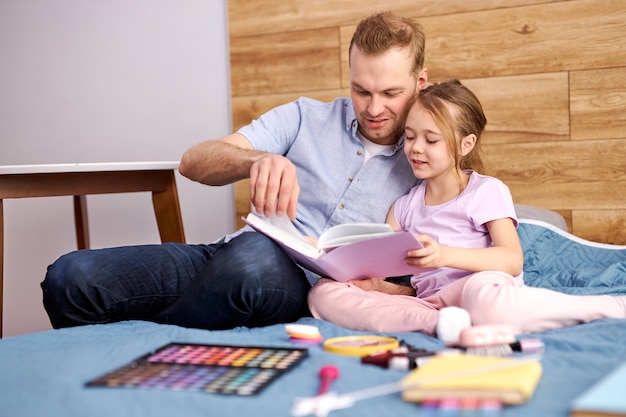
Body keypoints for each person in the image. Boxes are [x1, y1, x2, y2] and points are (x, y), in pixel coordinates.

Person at [41, 11, 428, 330]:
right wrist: (257, 160)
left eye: (390, 93)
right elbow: (194, 161)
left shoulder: (433, 161)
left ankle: (151, 343)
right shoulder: (305, 116)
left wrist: (380, 287)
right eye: (361, 91)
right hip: (226, 255)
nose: (374, 108)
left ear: (420, 82)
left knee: (254, 259)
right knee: (70, 277)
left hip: (297, 288)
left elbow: (443, 279)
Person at [308, 79, 626, 337]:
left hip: (481, 286)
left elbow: (511, 260)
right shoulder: (403, 207)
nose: (416, 148)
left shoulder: (486, 191)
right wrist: (366, 280)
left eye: (431, 140)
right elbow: (386, 271)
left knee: (487, 305)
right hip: (431, 304)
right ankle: (442, 327)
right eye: (409, 137)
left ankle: (608, 306)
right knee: (323, 295)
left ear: (465, 144)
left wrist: (444, 255)